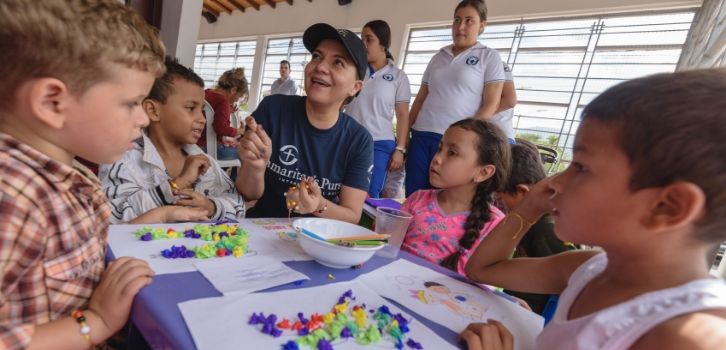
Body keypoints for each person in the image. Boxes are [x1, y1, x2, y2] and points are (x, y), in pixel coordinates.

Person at [465, 70, 726, 349]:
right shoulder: (586, 269)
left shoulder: (690, 334)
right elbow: (483, 269)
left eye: (581, 167)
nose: (554, 183)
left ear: (667, 207)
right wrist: (528, 208)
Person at [0, 0, 164, 348]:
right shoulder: (13, 198)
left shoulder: (71, 175)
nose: (144, 119)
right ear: (52, 103)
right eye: (131, 103)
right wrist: (96, 322)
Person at [236, 23, 373, 224]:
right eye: (316, 56)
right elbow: (248, 194)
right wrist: (255, 167)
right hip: (262, 230)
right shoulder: (274, 110)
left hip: (317, 239)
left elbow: (352, 215)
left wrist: (319, 205)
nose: (320, 67)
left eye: (338, 63)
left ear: (355, 87)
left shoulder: (358, 140)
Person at [100, 57, 246, 224]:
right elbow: (113, 217)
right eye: (191, 108)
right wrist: (177, 184)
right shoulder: (124, 159)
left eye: (202, 111)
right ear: (153, 111)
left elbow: (239, 205)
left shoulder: (202, 160)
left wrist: (211, 206)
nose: (202, 119)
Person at [405, 0, 505, 197]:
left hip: (453, 143)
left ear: (482, 25)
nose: (461, 27)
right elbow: (421, 98)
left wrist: (468, 138)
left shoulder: (489, 57)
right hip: (422, 134)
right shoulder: (438, 56)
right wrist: (404, 134)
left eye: (469, 21)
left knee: (443, 199)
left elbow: (491, 103)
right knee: (414, 196)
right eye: (457, 20)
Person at [401, 119, 510, 276]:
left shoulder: (493, 224)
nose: (437, 158)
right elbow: (388, 247)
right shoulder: (417, 199)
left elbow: (486, 284)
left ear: (483, 172)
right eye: (440, 148)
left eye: (452, 153)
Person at [497, 139, 575, 314]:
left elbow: (570, 282)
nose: (500, 207)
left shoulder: (547, 229)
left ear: (523, 191)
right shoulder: (531, 223)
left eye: (501, 200)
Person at [345, 20, 411, 198]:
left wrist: (400, 149)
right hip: (348, 138)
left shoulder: (398, 77)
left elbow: (403, 115)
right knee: (339, 187)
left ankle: (362, 226)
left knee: (369, 193)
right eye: (362, 39)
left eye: (369, 39)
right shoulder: (354, 69)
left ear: (383, 43)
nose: (363, 44)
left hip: (379, 143)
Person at [198, 68, 248, 160]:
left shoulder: (207, 92)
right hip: (208, 149)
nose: (237, 100)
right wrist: (239, 131)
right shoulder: (223, 101)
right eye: (239, 96)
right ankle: (224, 173)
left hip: (196, 144)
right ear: (233, 90)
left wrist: (227, 110)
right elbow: (220, 128)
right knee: (247, 153)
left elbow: (211, 115)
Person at [491, 62, 517, 143]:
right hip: (498, 134)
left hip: (496, 135)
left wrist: (475, 118)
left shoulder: (496, 64)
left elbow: (510, 101)